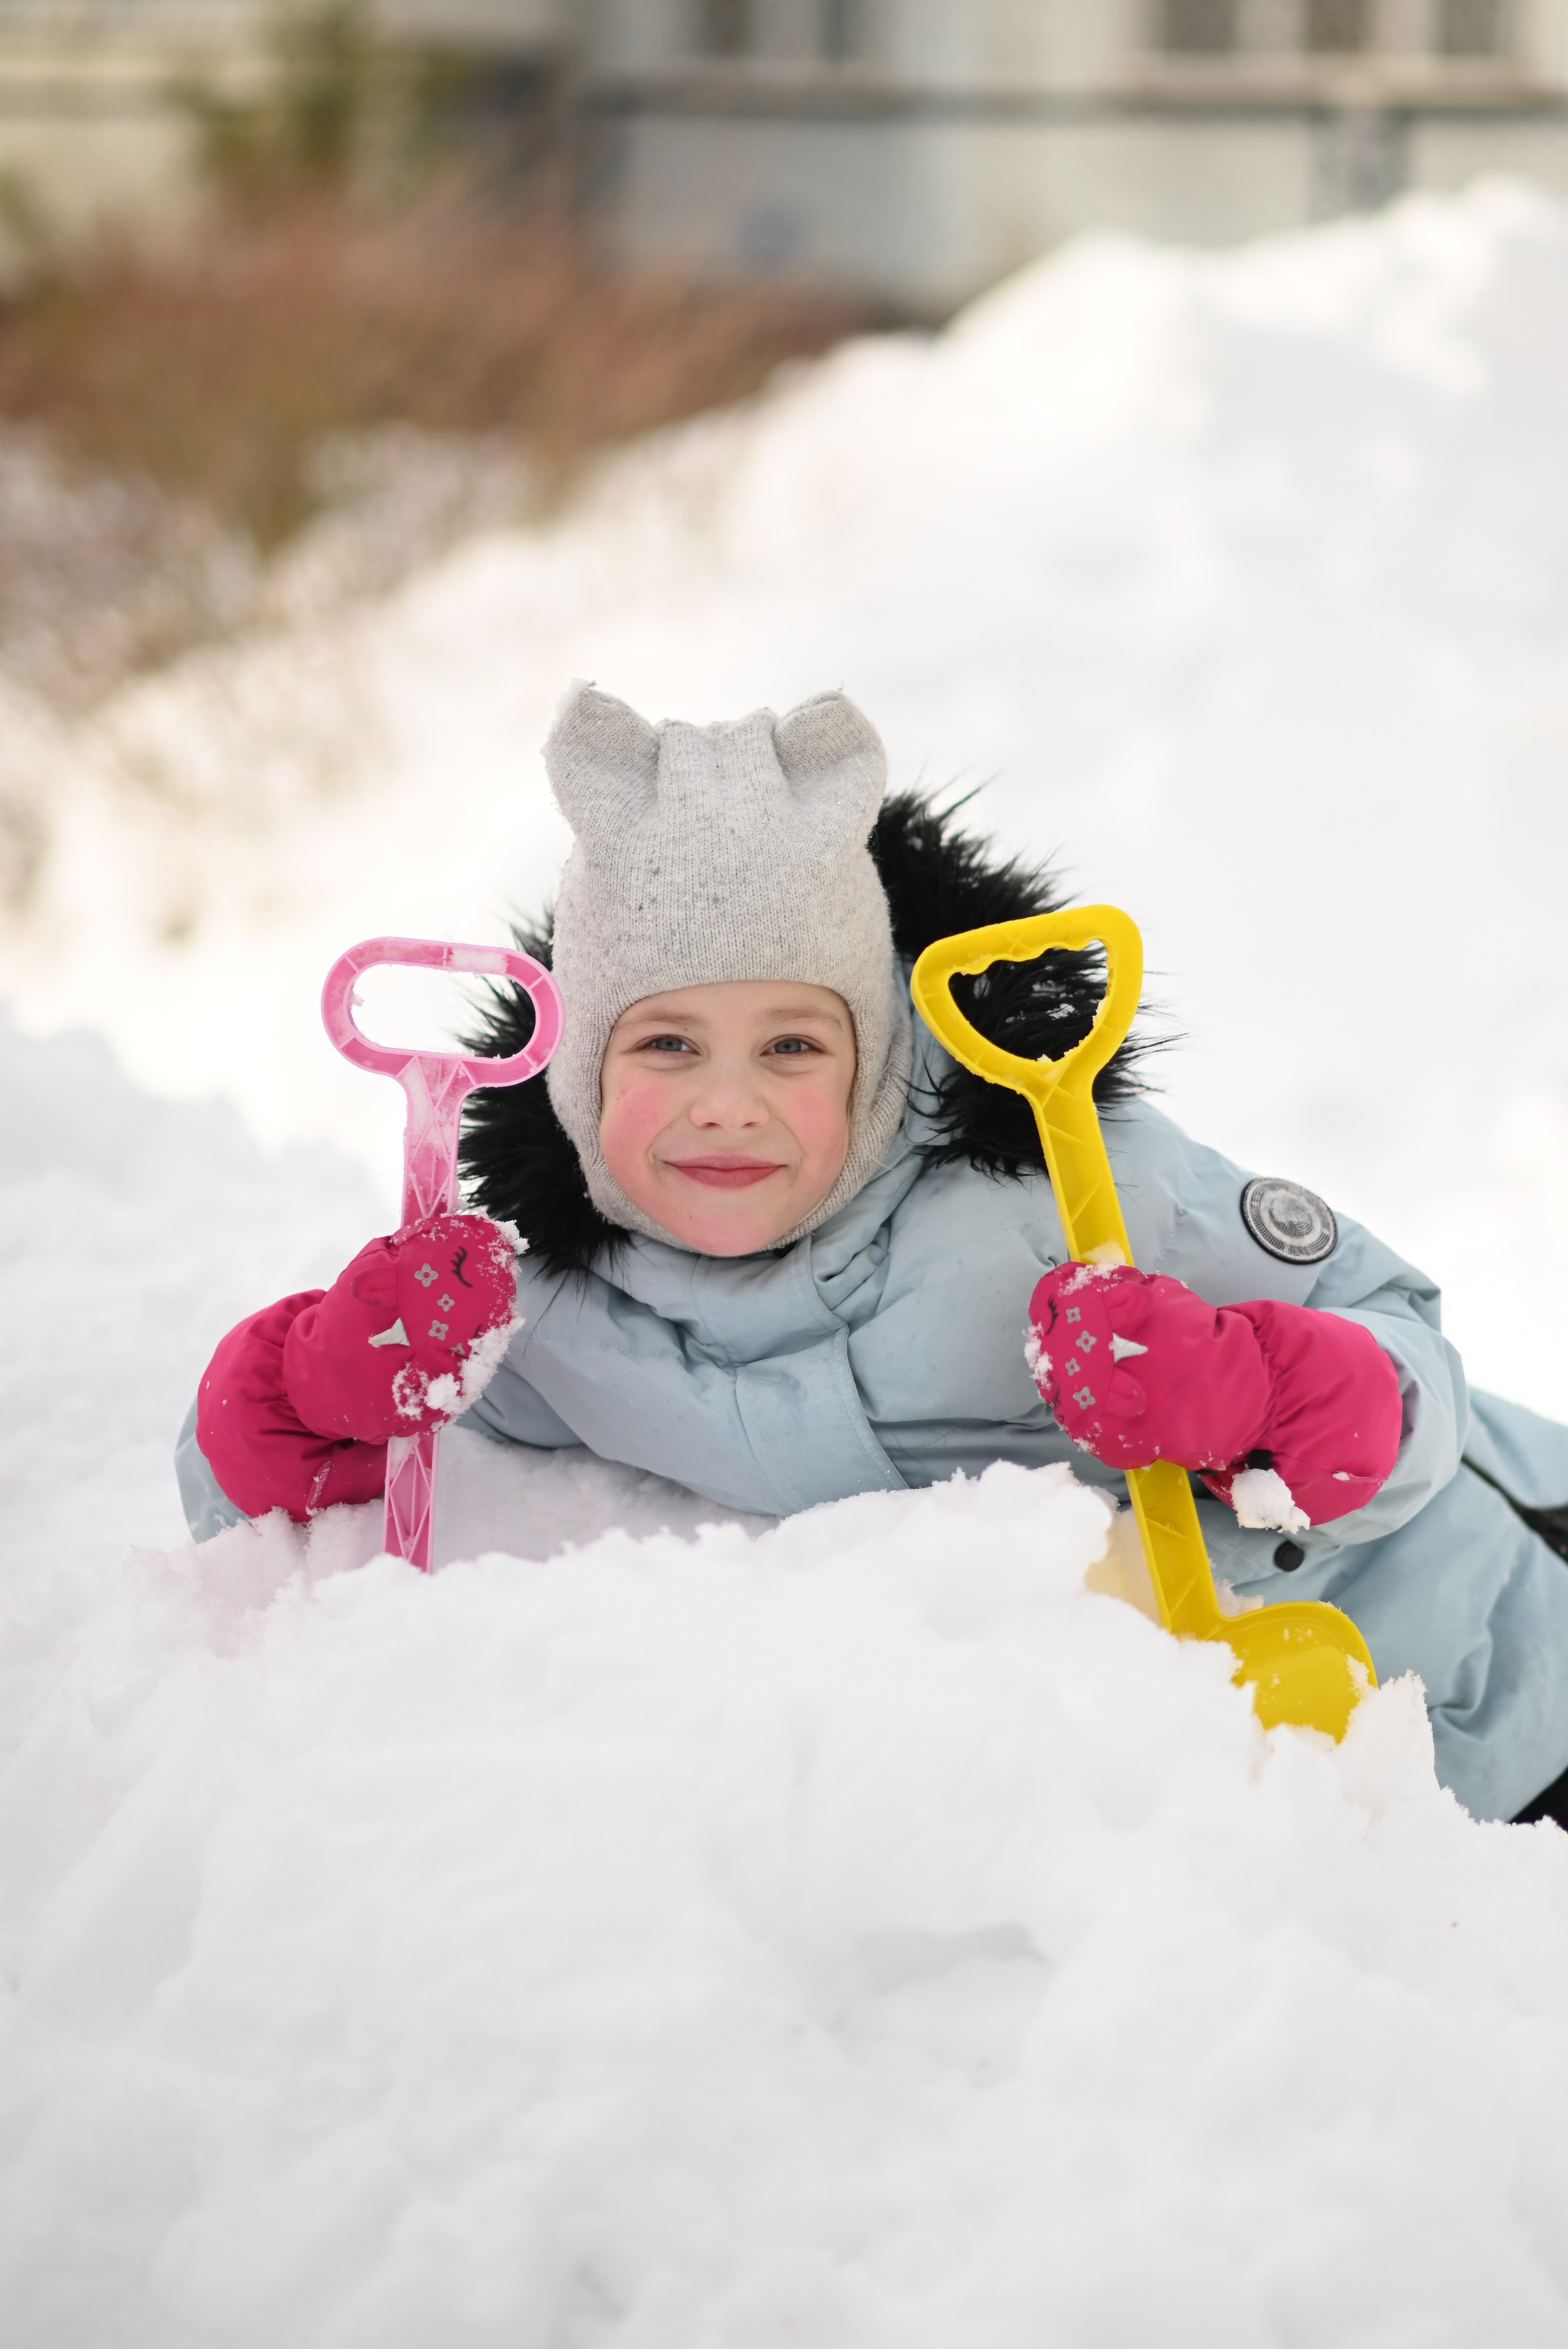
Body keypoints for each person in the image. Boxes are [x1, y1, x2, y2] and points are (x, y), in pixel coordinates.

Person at [178, 684, 1568, 1829]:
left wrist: (1253, 1392)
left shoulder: (1063, 1176)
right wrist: (314, 1384)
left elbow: (1407, 1364)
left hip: (1490, 1655)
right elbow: (236, 1496)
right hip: (1253, 1819)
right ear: (576, 1081)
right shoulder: (533, 1302)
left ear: (880, 1050)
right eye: (665, 1045)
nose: (729, 1101)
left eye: (791, 1045)